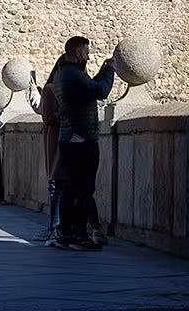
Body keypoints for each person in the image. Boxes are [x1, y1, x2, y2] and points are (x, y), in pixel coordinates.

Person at [52, 36, 115, 251]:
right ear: (77, 53)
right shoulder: (72, 74)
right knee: (82, 188)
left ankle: (67, 233)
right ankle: (78, 234)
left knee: (71, 187)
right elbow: (100, 91)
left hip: (69, 137)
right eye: (86, 52)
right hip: (80, 138)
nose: (88, 56)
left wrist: (99, 74)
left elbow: (89, 88)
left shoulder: (63, 74)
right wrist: (109, 70)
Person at [28, 57, 64, 246]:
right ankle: (57, 227)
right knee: (58, 187)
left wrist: (33, 90)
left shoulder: (51, 89)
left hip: (57, 144)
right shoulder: (56, 89)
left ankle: (56, 227)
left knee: (56, 186)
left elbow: (39, 108)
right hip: (61, 143)